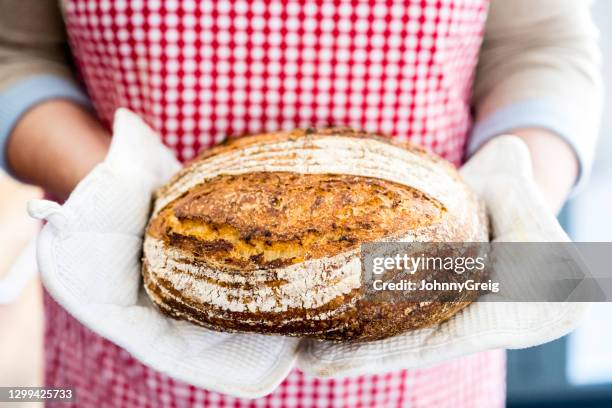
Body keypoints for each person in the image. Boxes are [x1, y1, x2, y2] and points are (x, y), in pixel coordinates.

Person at [0, 0, 602, 407]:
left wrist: (517, 200)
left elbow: (539, 46)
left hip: (424, 369)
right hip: (128, 341)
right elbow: (15, 52)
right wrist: (112, 192)